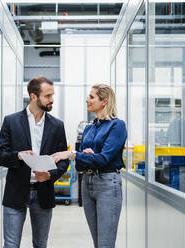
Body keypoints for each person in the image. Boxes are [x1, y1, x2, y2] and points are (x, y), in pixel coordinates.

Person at [0, 76, 69, 248]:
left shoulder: (57, 126)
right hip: (16, 191)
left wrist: (50, 175)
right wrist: (18, 155)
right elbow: (0, 156)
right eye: (47, 96)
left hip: (43, 192)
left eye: (52, 95)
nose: (52, 100)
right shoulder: (11, 121)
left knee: (40, 244)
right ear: (34, 96)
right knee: (11, 244)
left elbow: (63, 160)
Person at [52, 84, 127, 248]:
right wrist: (85, 156)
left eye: (92, 97)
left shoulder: (117, 126)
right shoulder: (88, 128)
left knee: (105, 244)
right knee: (97, 242)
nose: (87, 100)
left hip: (107, 183)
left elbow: (104, 159)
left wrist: (74, 155)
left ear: (104, 101)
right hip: (87, 183)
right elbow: (80, 163)